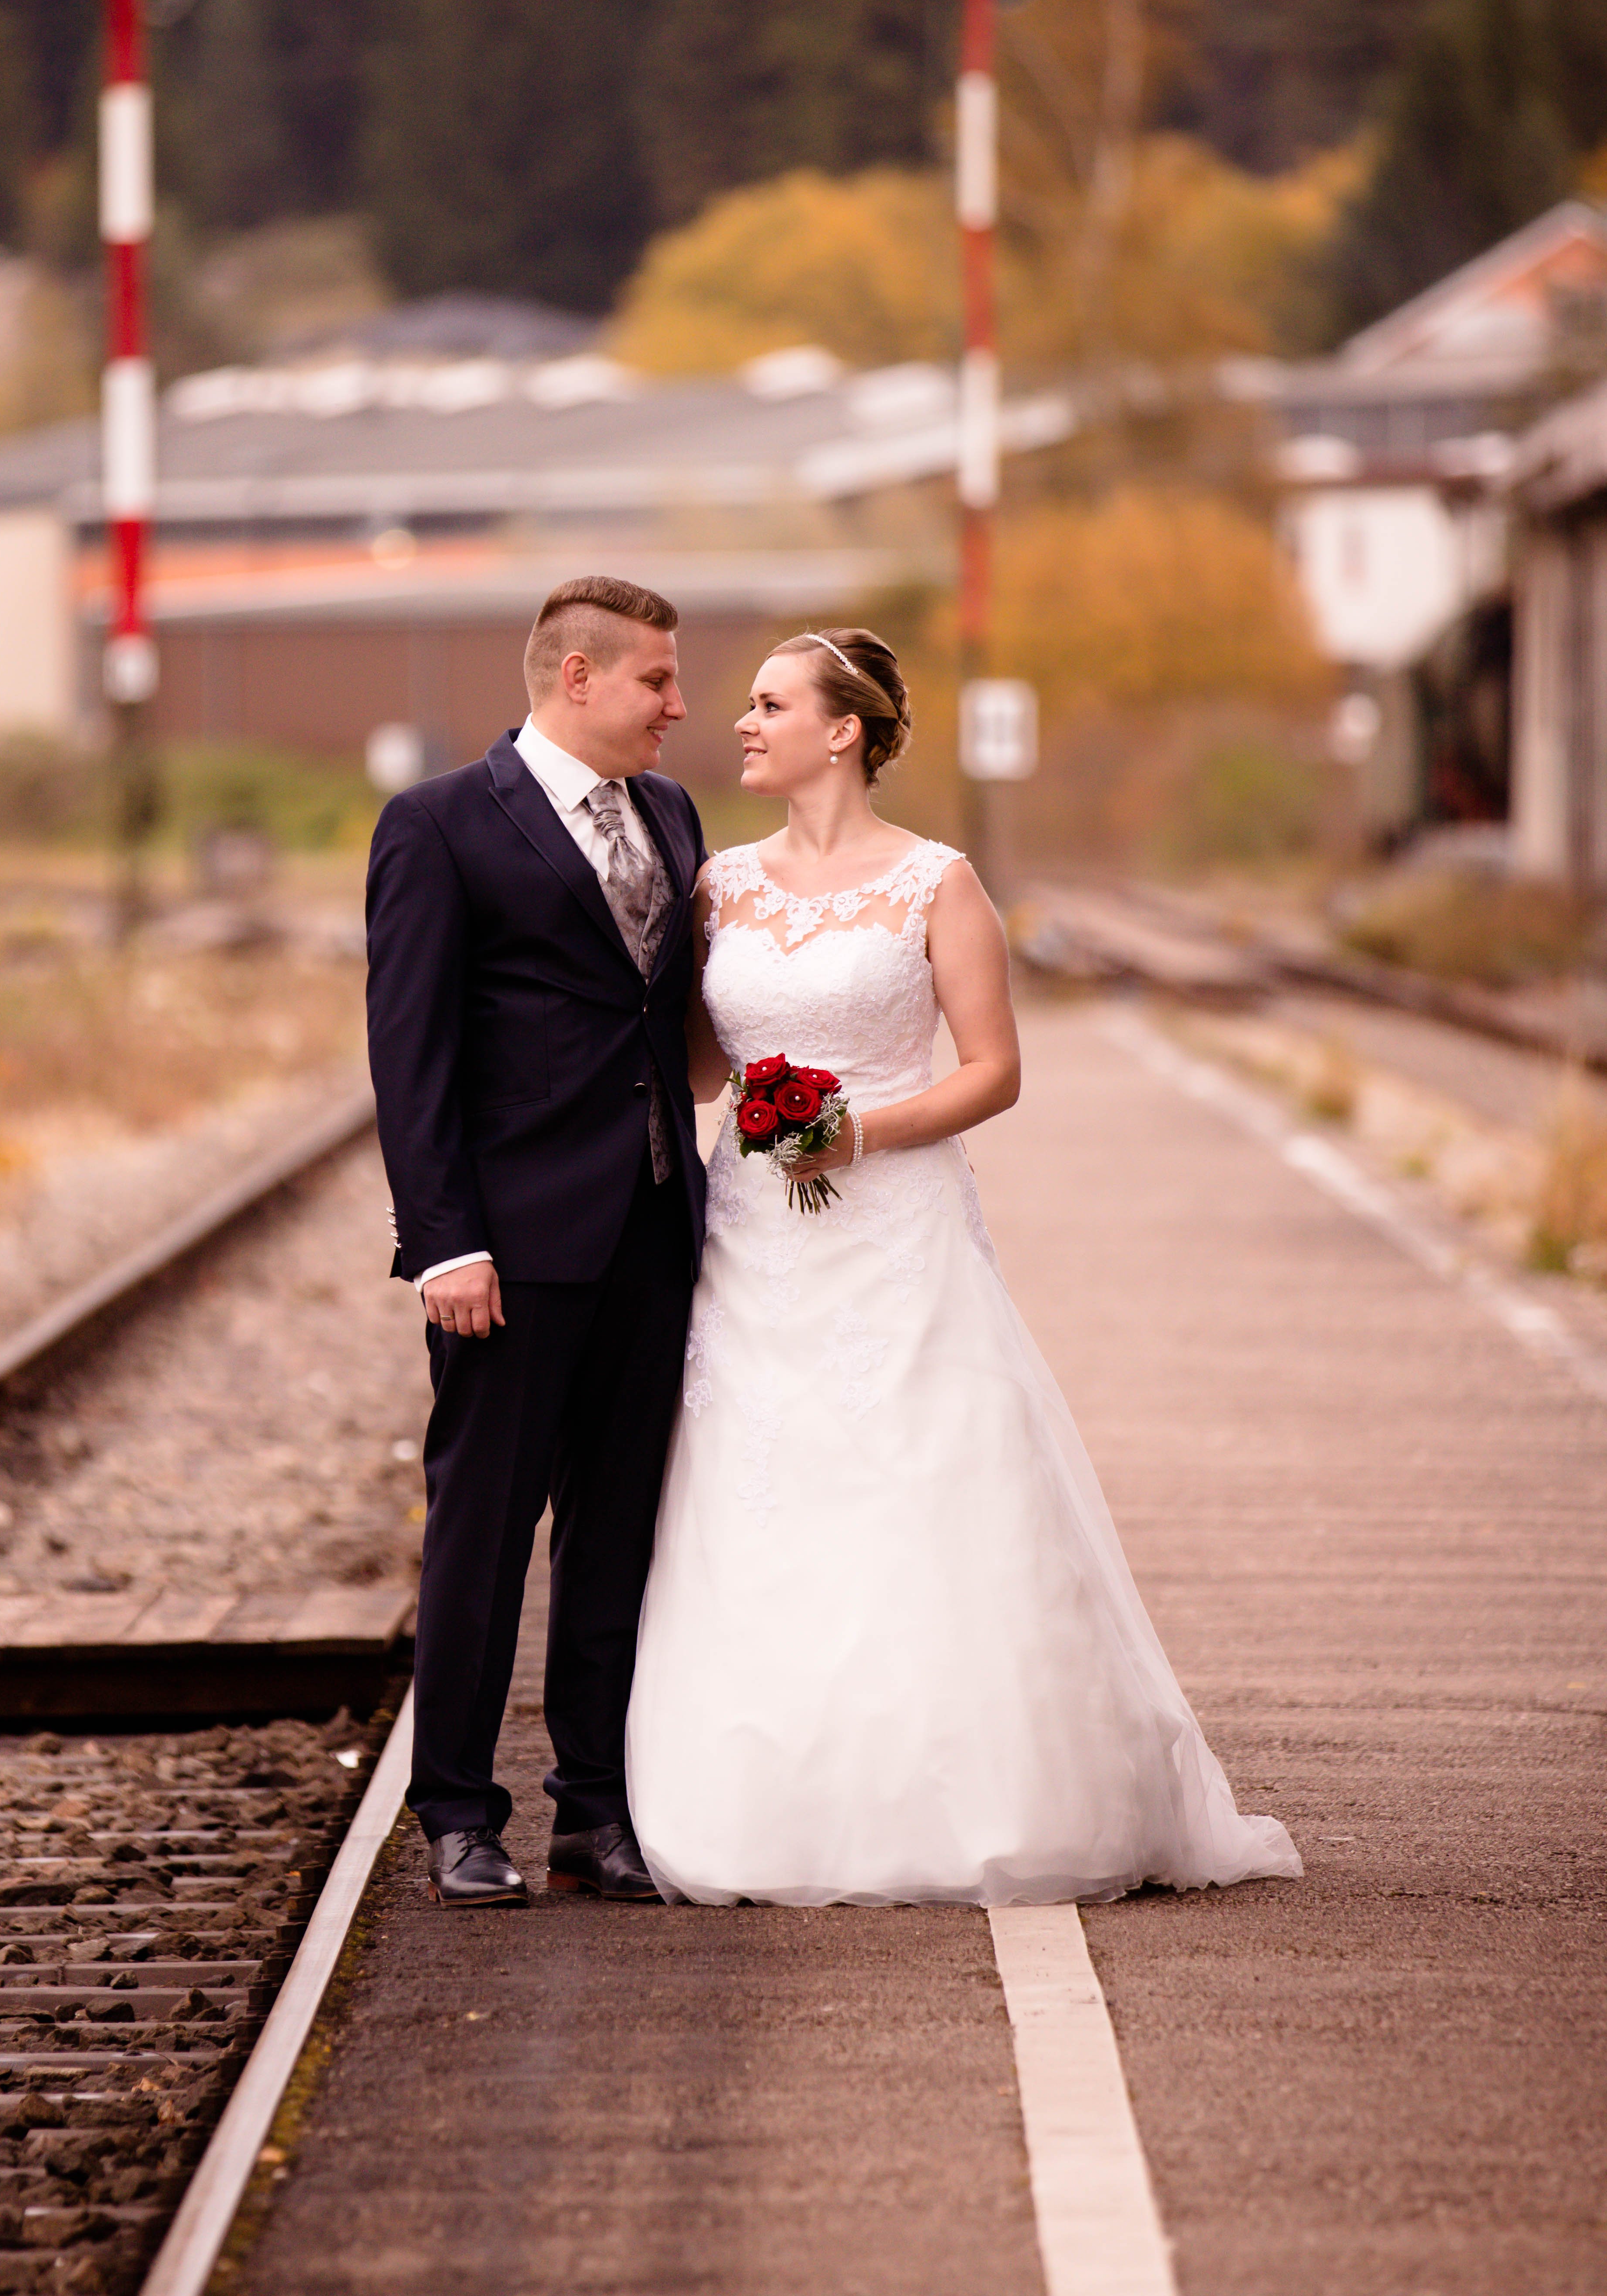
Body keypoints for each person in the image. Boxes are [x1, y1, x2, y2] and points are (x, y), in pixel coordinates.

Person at [626, 627, 1298, 1909]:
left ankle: (980, 1791)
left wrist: (856, 1130)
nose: (743, 723)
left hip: (900, 1230)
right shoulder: (719, 886)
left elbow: (995, 1070)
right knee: (756, 1486)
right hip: (754, 1239)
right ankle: (762, 1796)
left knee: (920, 1473)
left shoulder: (939, 882)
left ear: (844, 732)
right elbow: (702, 1069)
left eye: (771, 705)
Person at [366, 576, 707, 1907]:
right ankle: (456, 1811)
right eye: (657, 683)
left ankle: (597, 1809)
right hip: (507, 1250)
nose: (680, 708)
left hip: (654, 1228)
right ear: (578, 678)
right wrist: (443, 1243)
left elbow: (669, 1016)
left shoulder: (670, 814)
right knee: (483, 1534)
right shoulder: (441, 825)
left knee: (616, 1535)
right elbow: (413, 1057)